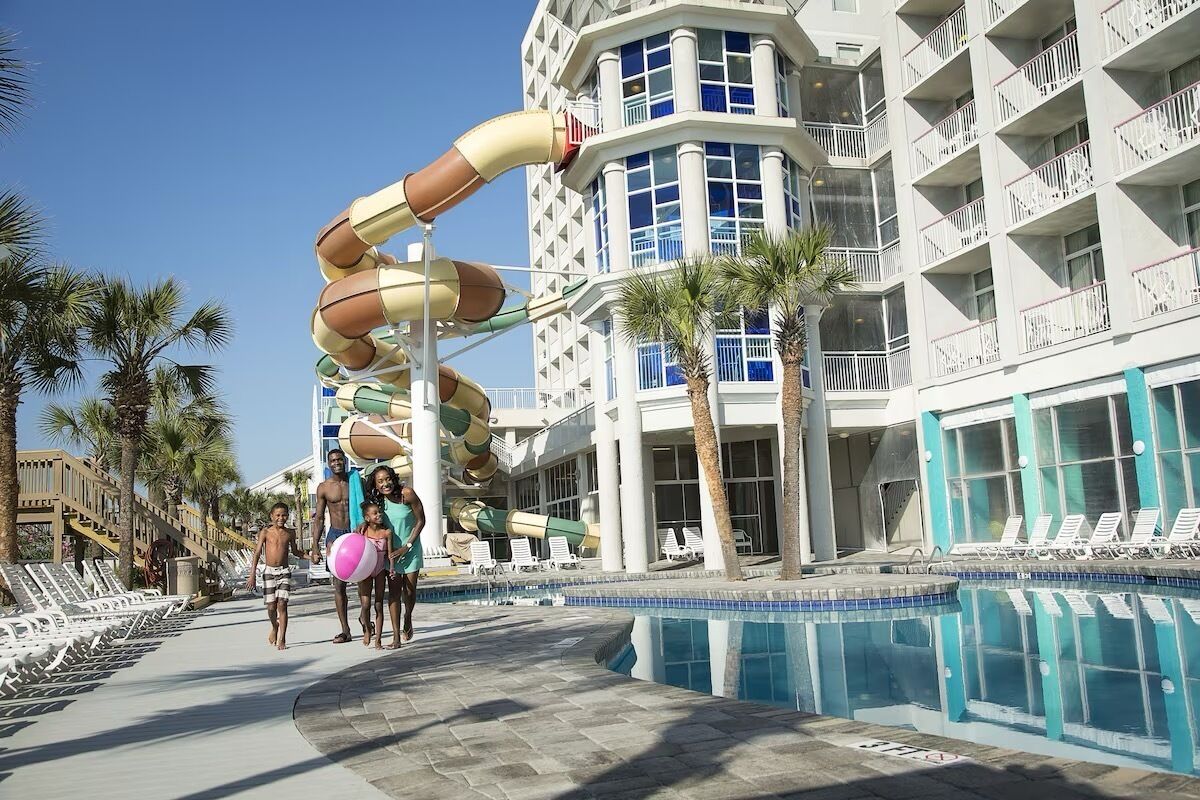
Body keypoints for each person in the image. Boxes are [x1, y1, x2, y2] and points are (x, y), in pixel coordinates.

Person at [365, 465, 425, 649]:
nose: (385, 484)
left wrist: (407, 546)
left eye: (387, 479)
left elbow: (421, 520)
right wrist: (362, 525)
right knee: (394, 594)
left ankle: (408, 617)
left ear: (393, 478)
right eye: (380, 481)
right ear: (375, 485)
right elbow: (371, 519)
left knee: (410, 592)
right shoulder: (378, 502)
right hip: (390, 555)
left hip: (410, 550)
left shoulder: (407, 494)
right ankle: (397, 638)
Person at [247, 502, 305, 650]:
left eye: (284, 515)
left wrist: (311, 557)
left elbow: (296, 552)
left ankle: (282, 637)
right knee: (271, 606)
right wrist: (252, 574)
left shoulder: (290, 533)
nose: (281, 518)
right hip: (269, 572)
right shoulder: (265, 532)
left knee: (282, 604)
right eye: (278, 515)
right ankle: (275, 626)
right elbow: (257, 553)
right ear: (271, 516)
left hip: (284, 571)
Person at [312, 448, 354, 644]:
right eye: (333, 460)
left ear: (344, 460)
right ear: (328, 464)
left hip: (355, 535)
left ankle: (365, 619)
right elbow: (319, 518)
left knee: (365, 584)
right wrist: (314, 547)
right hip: (336, 535)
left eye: (339, 459)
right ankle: (345, 630)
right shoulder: (323, 487)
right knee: (339, 586)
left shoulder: (355, 482)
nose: (336, 462)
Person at [356, 500, 394, 650]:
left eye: (379, 512)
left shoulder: (386, 532)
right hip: (365, 570)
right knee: (365, 605)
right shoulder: (362, 532)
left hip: (379, 570)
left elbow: (390, 554)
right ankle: (367, 629)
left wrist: (391, 568)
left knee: (378, 605)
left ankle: (378, 639)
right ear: (367, 518)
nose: (379, 515)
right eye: (375, 513)